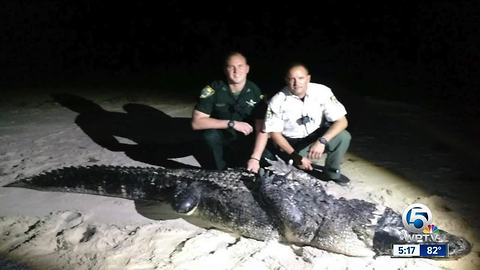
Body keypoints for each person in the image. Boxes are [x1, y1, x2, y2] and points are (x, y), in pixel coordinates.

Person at [263, 63, 351, 184]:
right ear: (286, 80)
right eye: (291, 79)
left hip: (316, 136)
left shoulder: (322, 91)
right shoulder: (277, 100)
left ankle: (332, 173)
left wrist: (322, 141)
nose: (296, 82)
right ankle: (300, 163)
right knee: (295, 165)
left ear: (308, 78)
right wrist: (296, 156)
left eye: (300, 78)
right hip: (292, 144)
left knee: (343, 136)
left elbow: (342, 121)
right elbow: (274, 134)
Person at [191, 52, 267, 170]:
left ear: (247, 69)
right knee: (209, 136)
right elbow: (196, 123)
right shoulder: (214, 88)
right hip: (223, 139)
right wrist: (232, 123)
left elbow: (262, 128)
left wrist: (255, 158)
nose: (236, 71)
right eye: (231, 67)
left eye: (240, 66)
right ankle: (217, 171)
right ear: (225, 70)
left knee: (268, 154)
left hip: (245, 141)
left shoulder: (256, 91)